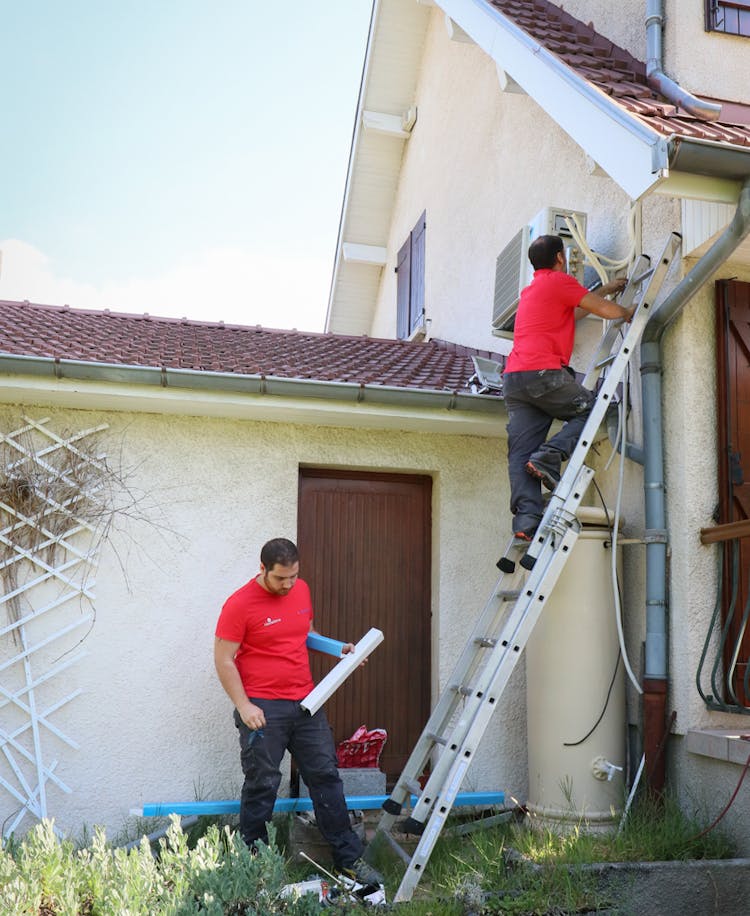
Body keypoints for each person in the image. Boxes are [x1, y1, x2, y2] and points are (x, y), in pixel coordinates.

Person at [214, 537, 383, 887]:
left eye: (293, 577)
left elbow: (303, 634)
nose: (288, 585)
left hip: (308, 704)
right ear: (262, 569)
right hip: (263, 709)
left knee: (326, 778)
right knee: (262, 784)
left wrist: (340, 649)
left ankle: (349, 862)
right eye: (280, 579)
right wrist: (244, 706)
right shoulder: (239, 604)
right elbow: (224, 659)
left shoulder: (301, 590)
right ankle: (254, 867)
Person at [503, 234, 632, 541]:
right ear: (560, 258)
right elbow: (608, 312)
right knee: (594, 410)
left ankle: (526, 520)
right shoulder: (559, 282)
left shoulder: (532, 290)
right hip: (542, 374)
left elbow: (573, 312)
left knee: (520, 452)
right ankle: (549, 456)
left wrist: (606, 289)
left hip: (515, 380)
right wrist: (631, 310)